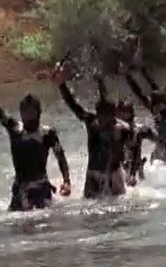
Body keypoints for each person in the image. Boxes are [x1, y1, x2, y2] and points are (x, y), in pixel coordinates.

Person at [54, 63, 133, 199]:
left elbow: (131, 151)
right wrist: (61, 84)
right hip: (94, 175)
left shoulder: (123, 129)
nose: (104, 121)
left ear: (114, 114)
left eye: (108, 116)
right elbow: (74, 106)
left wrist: (131, 172)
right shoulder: (92, 123)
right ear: (97, 114)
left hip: (115, 175)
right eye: (101, 116)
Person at [1, 89, 71, 211]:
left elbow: (61, 157)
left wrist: (66, 182)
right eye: (25, 112)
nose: (29, 117)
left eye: (31, 112)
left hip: (41, 189)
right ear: (21, 113)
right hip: (20, 189)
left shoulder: (48, 134)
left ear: (39, 112)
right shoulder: (15, 129)